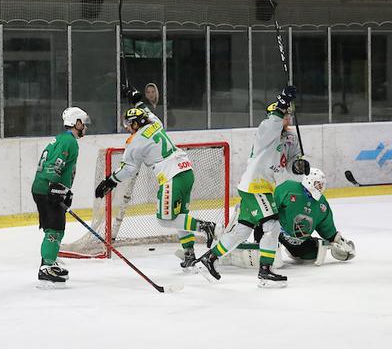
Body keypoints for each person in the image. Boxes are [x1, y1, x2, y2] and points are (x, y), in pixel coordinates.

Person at [193, 86, 308, 288]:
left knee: (241, 232)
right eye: (283, 114)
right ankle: (265, 272)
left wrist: (298, 166)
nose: (286, 118)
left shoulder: (290, 138)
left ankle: (208, 259)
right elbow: (273, 123)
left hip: (263, 188)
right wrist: (281, 102)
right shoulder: (266, 128)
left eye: (288, 115)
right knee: (272, 226)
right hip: (255, 186)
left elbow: (290, 162)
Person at [94, 107, 217, 269]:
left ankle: (206, 226)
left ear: (137, 124)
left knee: (165, 219)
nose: (127, 127)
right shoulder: (156, 123)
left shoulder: (135, 142)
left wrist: (110, 181)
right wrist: (136, 97)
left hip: (172, 177)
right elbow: (146, 110)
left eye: (129, 124)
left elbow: (128, 169)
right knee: (180, 217)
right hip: (186, 172)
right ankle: (189, 254)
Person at [31, 106, 89, 287]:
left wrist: (65, 191)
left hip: (47, 189)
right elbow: (52, 165)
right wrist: (55, 188)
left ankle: (48, 263)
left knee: (56, 229)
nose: (85, 127)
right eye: (83, 123)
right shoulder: (69, 141)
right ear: (76, 123)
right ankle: (46, 268)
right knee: (54, 230)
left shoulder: (64, 139)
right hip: (47, 189)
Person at [274, 169, 355, 265]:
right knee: (265, 227)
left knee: (312, 255)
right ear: (309, 181)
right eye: (318, 184)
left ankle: (295, 250)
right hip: (275, 232)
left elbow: (325, 224)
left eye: (322, 185)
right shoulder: (288, 188)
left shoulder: (321, 204)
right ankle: (260, 245)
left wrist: (335, 239)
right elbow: (269, 207)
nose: (320, 187)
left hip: (298, 241)